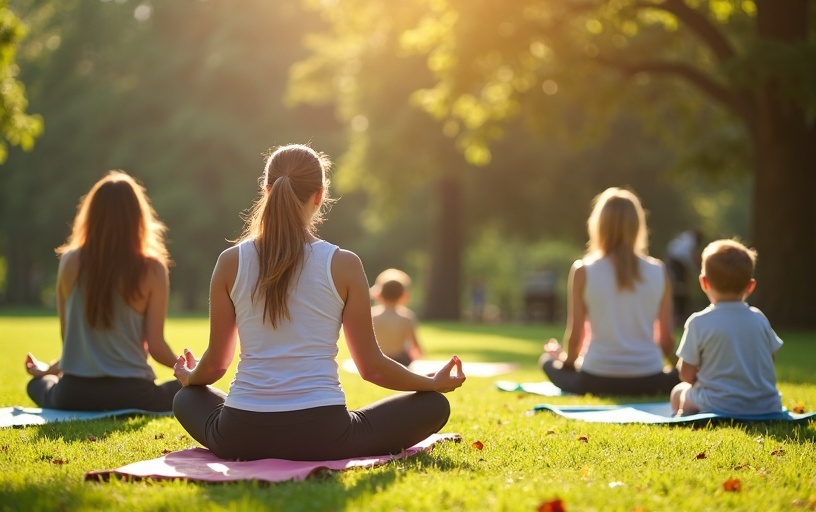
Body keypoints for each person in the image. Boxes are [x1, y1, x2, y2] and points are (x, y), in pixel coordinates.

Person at [172, 144, 465, 461]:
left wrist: (190, 378)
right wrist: (431, 383)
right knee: (434, 404)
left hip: (239, 435)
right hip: (324, 436)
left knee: (185, 399)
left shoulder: (230, 262)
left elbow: (215, 365)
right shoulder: (344, 264)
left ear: (266, 190)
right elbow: (372, 369)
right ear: (320, 195)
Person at [24, 171, 181, 411]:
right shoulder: (152, 269)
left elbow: (70, 344)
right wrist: (190, 370)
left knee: (36, 385)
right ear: (138, 217)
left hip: (74, 394)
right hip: (134, 394)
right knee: (190, 392)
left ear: (91, 216)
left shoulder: (69, 261)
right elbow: (157, 348)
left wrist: (47, 371)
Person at [539, 187, 679, 396]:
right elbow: (666, 341)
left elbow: (575, 336)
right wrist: (680, 371)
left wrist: (564, 362)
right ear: (637, 226)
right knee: (677, 374)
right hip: (650, 380)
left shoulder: (583, 270)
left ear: (598, 225)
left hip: (595, 379)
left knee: (546, 361)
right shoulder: (659, 270)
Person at [671, 239, 783, 416]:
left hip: (718, 404)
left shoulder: (698, 322)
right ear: (750, 286)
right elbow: (771, 358)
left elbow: (686, 375)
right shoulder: (759, 318)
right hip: (766, 405)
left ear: (704, 283)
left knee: (678, 392)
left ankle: (686, 417)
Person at [370, 268, 424, 367]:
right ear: (404, 296)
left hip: (377, 359)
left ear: (379, 294)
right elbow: (416, 346)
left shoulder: (371, 315)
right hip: (401, 361)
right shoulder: (407, 316)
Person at [666, 230, 702, 326]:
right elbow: (693, 256)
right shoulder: (692, 241)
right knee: (682, 287)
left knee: (679, 287)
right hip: (678, 263)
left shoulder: (685, 236)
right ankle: (679, 314)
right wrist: (696, 268)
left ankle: (678, 313)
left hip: (673, 261)